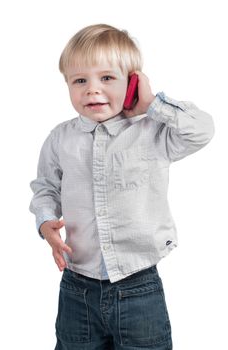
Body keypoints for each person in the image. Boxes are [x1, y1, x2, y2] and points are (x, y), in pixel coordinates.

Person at [29, 24, 214, 350]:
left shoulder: (152, 132)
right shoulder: (61, 139)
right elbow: (45, 187)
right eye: (80, 80)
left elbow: (202, 130)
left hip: (138, 285)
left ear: (132, 83)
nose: (92, 90)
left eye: (107, 78)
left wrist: (152, 105)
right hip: (77, 288)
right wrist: (46, 225)